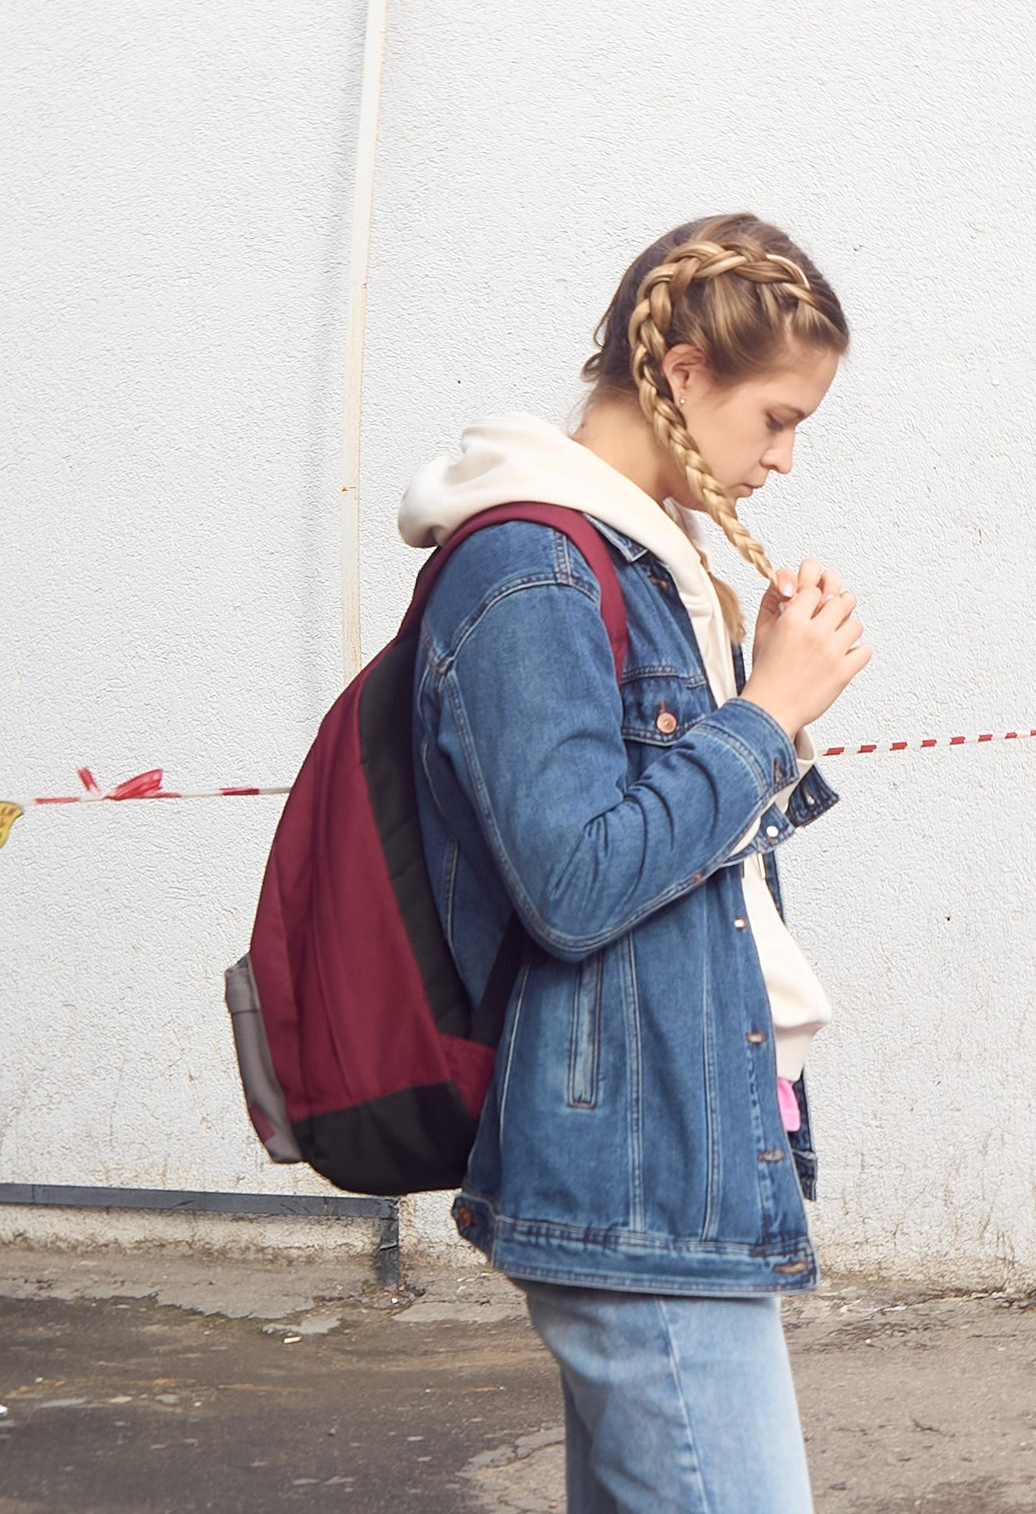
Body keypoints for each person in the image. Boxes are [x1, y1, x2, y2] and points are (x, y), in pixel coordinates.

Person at [397, 214, 869, 1512]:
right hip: (633, 1172)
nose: (782, 458)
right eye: (775, 417)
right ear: (677, 368)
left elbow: (695, 867)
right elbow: (576, 881)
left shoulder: (640, 563)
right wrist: (759, 716)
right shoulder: (528, 564)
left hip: (684, 1154)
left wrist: (768, 701)